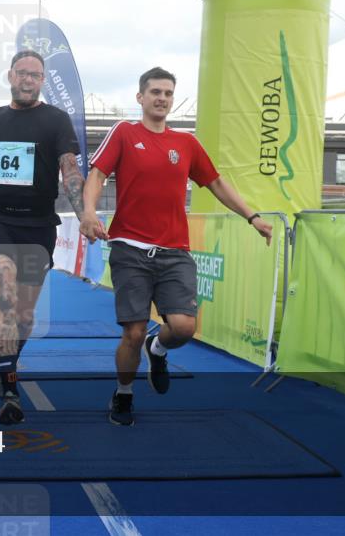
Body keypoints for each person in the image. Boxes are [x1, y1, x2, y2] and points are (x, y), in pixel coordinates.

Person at [80, 67, 273, 426]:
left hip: (174, 252)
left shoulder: (186, 143)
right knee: (133, 332)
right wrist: (89, 212)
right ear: (140, 97)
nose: (162, 98)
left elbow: (216, 184)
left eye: (168, 93)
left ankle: (158, 350)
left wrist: (253, 217)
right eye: (155, 92)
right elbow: (97, 175)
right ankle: (124, 393)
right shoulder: (124, 132)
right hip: (129, 248)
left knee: (183, 328)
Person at [0, 50, 85, 425]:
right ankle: (11, 387)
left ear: (42, 80)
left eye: (35, 74)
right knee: (6, 293)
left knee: (26, 316)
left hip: (39, 226)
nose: (28, 79)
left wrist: (85, 214)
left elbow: (69, 168)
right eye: (22, 73)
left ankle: (8, 363)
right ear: (10, 76)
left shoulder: (56, 119)